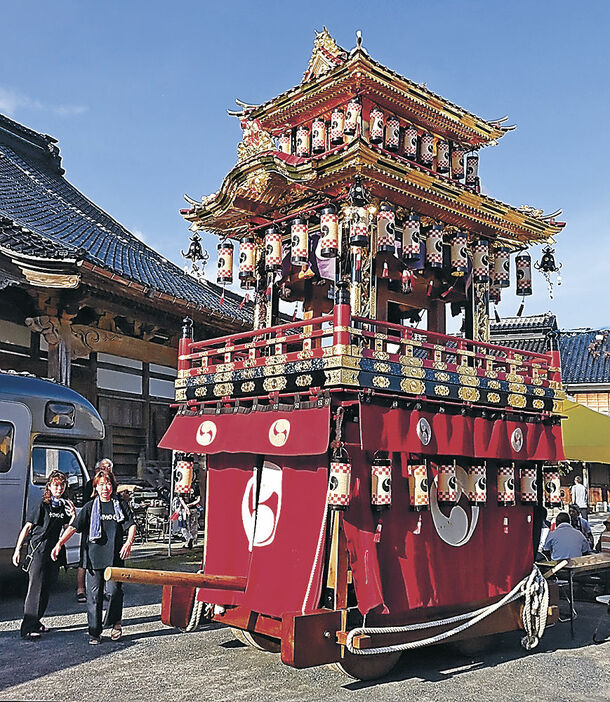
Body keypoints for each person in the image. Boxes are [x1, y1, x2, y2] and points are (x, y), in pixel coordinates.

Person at [52, 468, 136, 645]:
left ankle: (116, 624)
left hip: (114, 558)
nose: (105, 488)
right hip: (93, 558)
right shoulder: (91, 507)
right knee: (94, 596)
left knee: (114, 592)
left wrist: (128, 542)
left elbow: (131, 525)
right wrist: (60, 543)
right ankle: (95, 632)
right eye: (101, 485)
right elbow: (74, 526)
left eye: (108, 484)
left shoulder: (120, 505)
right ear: (96, 487)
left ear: (113, 486)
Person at [12, 470, 75, 640]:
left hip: (53, 553)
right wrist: (18, 549)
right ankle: (27, 627)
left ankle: (37, 621)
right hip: (38, 551)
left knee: (46, 588)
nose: (59, 488)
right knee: (35, 589)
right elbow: (27, 528)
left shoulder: (63, 506)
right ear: (49, 486)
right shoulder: (42, 505)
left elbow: (67, 529)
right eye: (55, 485)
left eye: (62, 485)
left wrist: (73, 516)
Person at [76, 457, 114, 603]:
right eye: (103, 468)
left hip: (107, 528)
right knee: (84, 559)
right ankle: (80, 589)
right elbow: (88, 504)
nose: (106, 470)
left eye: (108, 468)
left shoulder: (111, 485)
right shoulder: (90, 484)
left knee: (104, 560)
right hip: (90, 526)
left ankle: (103, 589)